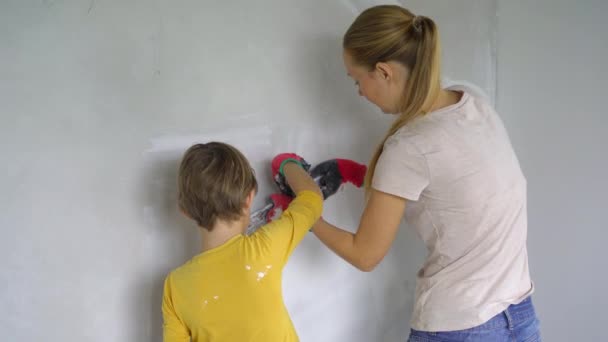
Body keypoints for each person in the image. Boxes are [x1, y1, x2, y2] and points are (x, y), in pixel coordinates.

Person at [310, 5, 540, 341]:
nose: (359, 91)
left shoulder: (409, 147)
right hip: (519, 316)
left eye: (356, 79)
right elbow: (454, 187)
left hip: (462, 326)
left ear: (384, 72)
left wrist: (304, 209)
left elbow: (365, 254)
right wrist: (361, 174)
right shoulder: (473, 104)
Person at [162, 142, 323, 341]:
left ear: (184, 211)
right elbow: (312, 199)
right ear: (248, 199)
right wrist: (287, 164)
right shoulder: (265, 248)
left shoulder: (175, 286)